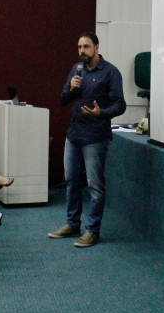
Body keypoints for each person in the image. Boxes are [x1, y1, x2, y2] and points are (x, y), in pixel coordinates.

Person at [49, 32, 126, 248]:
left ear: (96, 48)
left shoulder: (110, 72)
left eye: (86, 46)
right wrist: (72, 88)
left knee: (94, 185)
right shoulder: (76, 69)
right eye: (79, 47)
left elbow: (120, 105)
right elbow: (63, 99)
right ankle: (73, 224)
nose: (82, 51)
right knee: (71, 181)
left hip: (95, 136)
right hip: (74, 134)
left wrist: (101, 113)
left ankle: (93, 230)